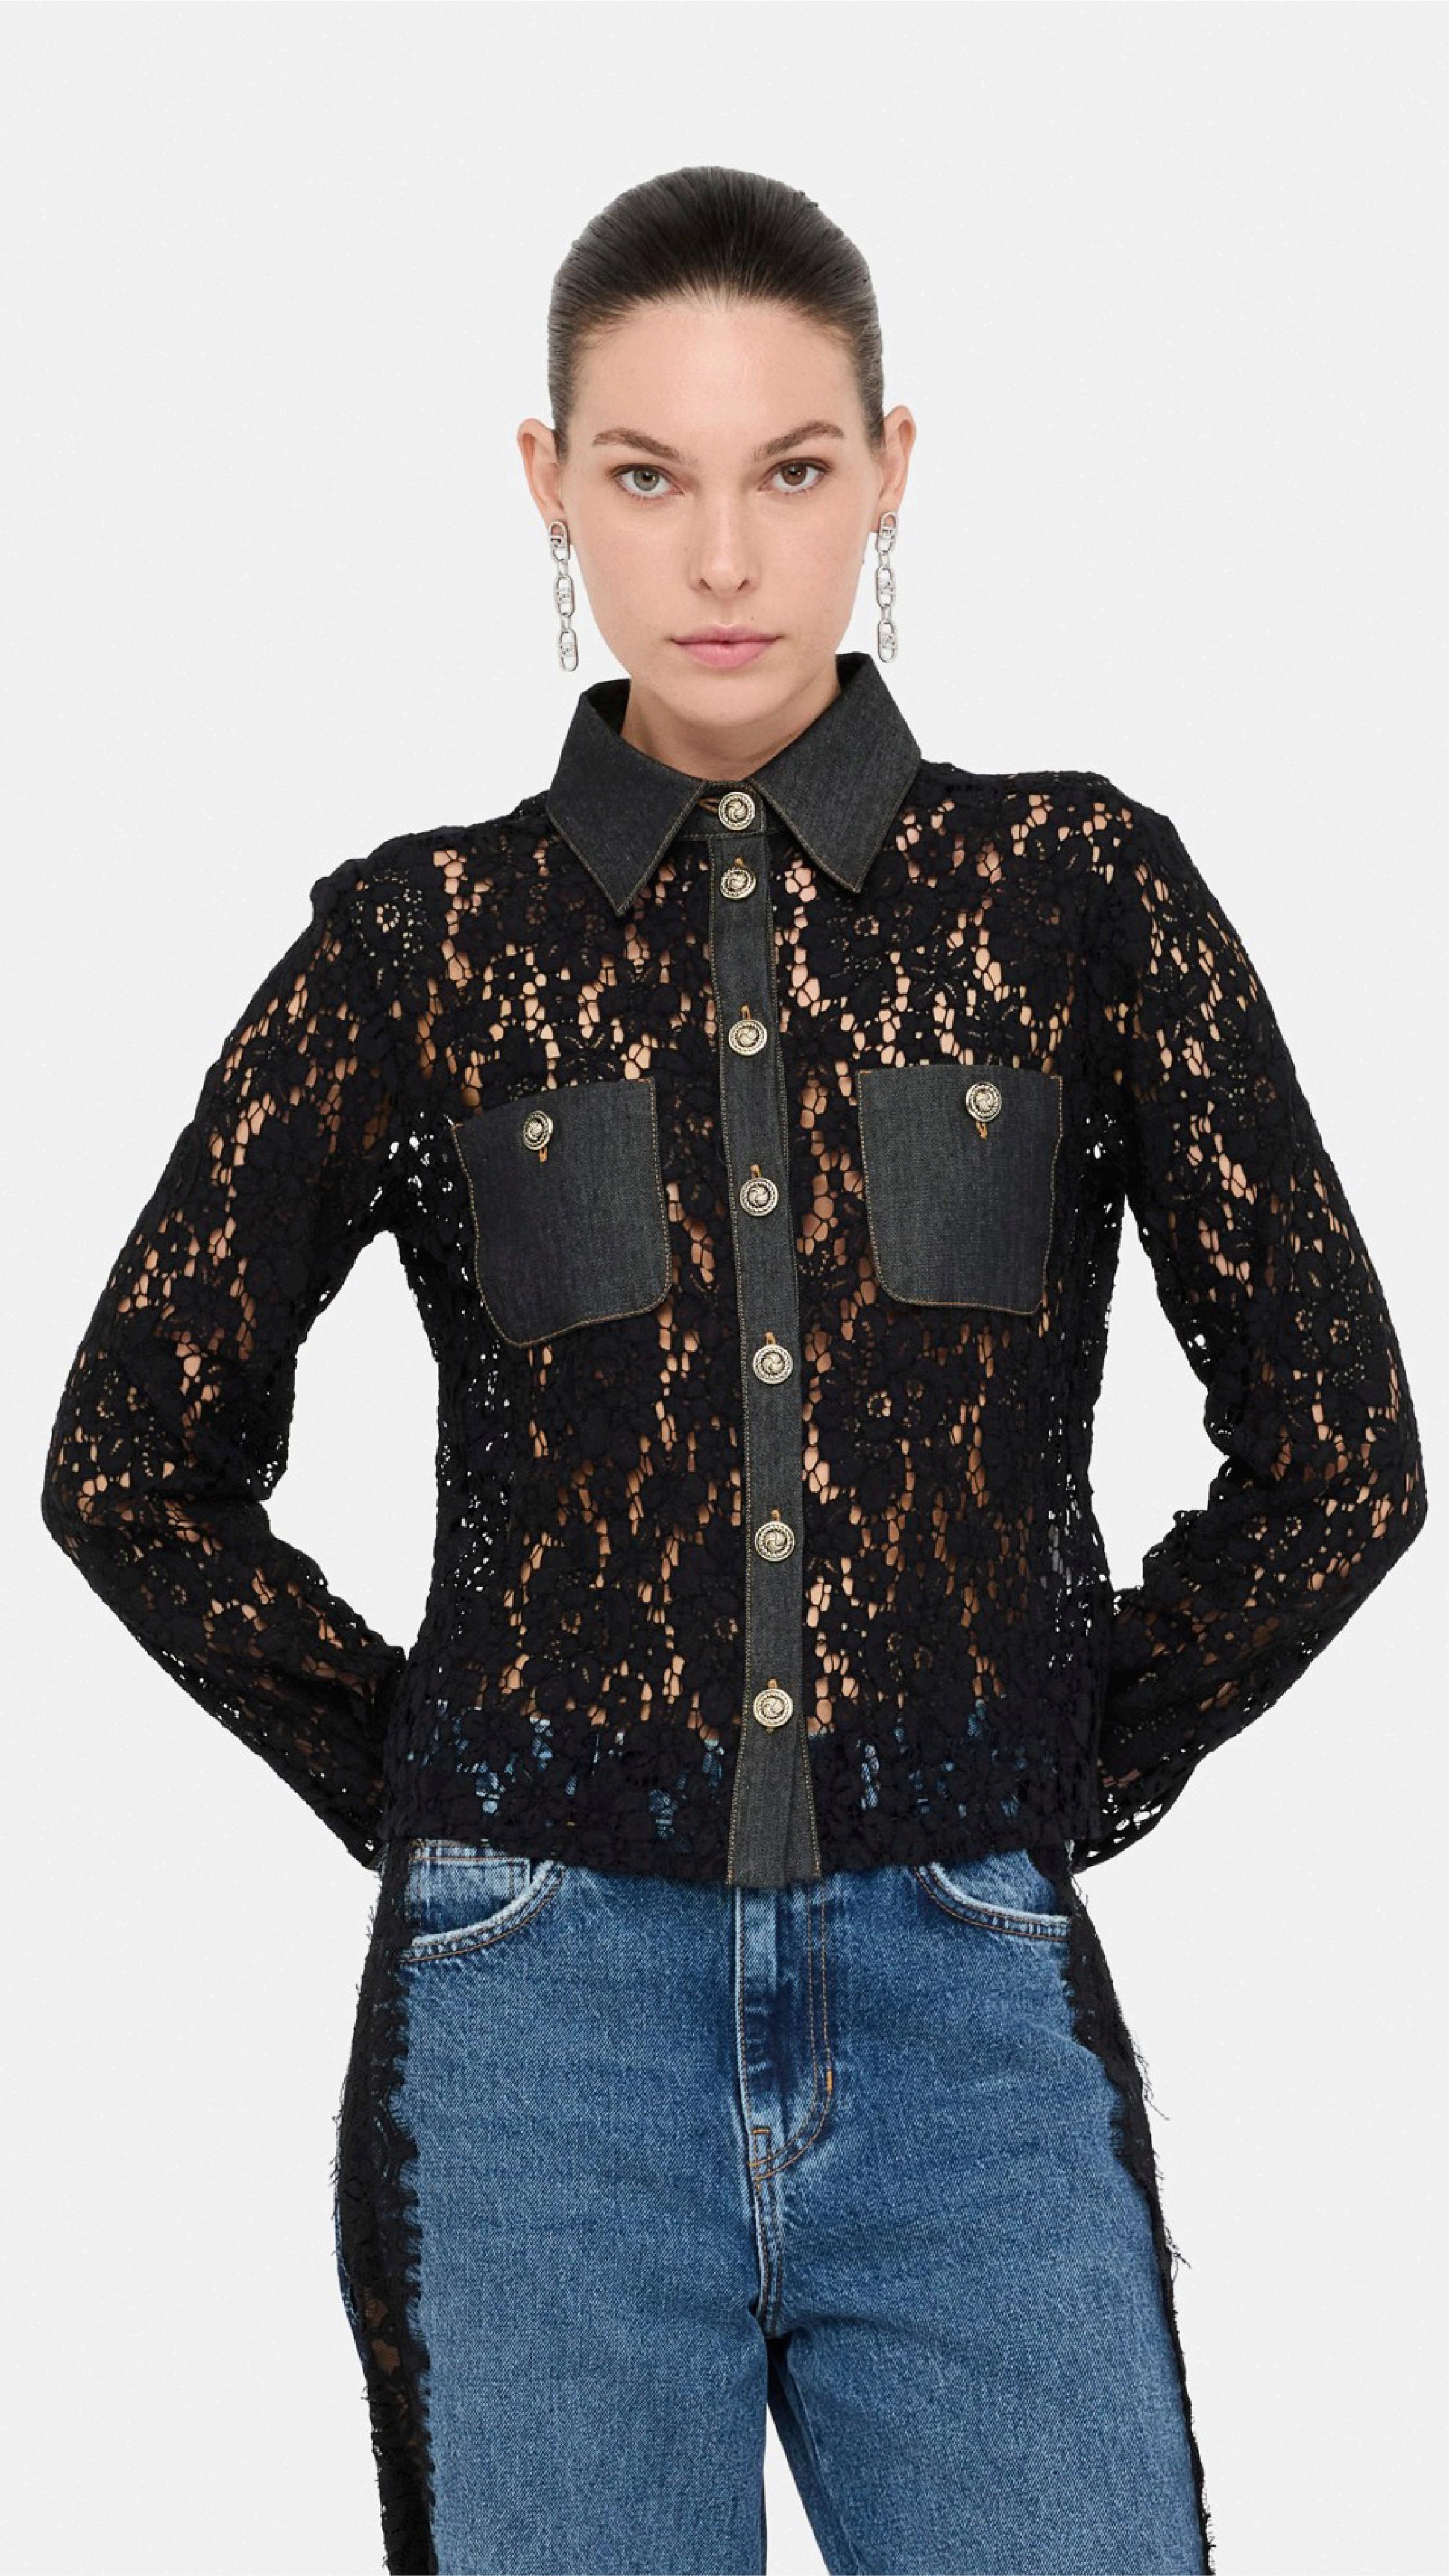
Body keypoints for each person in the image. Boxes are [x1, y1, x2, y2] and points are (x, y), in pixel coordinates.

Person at [39, 164, 1426, 2576]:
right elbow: (127, 1457)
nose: (720, 556)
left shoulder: (1078, 896)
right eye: (646, 474)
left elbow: (1343, 1451)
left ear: (890, 467)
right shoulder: (419, 944)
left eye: (788, 470)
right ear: (547, 481)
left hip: (968, 2017)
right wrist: (433, 1784)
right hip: (531, 2044)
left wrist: (1063, 1755)